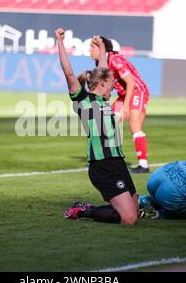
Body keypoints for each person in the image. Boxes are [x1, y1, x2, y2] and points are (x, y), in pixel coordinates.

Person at [56, 28, 138, 225]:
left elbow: (103, 68)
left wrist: (102, 47)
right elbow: (68, 72)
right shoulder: (83, 100)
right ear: (101, 84)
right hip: (102, 165)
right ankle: (84, 210)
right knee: (129, 219)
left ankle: (111, 206)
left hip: (118, 161)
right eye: (110, 83)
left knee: (134, 211)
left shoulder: (103, 99)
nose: (114, 86)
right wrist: (60, 42)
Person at [90, 37, 150, 173]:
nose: (89, 50)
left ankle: (143, 165)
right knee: (106, 123)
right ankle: (103, 161)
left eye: (92, 47)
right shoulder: (100, 63)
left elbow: (130, 83)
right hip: (124, 95)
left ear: (101, 48)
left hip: (137, 91)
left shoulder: (114, 60)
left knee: (135, 125)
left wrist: (127, 106)